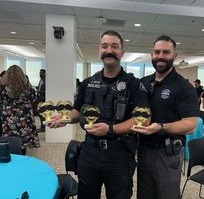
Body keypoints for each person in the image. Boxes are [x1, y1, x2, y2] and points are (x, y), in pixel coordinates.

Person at [50, 30, 150, 199]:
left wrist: (111, 129)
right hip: (89, 153)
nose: (109, 50)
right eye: (104, 46)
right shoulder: (88, 83)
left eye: (114, 46)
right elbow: (76, 111)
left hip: (119, 154)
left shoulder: (134, 85)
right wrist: (64, 118)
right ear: (99, 51)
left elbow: (145, 119)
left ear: (122, 52)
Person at [133, 35, 200, 199]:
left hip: (167, 153)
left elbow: (191, 125)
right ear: (151, 55)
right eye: (157, 52)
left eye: (166, 52)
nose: (160, 56)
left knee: (166, 195)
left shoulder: (183, 87)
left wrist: (161, 127)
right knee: (144, 194)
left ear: (174, 56)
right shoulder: (144, 83)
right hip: (143, 150)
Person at [0, 65, 40, 151]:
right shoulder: (27, 86)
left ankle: (12, 153)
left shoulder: (3, 87)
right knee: (24, 138)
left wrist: (6, 107)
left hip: (9, 117)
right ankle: (22, 153)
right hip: (25, 116)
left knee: (10, 138)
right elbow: (33, 97)